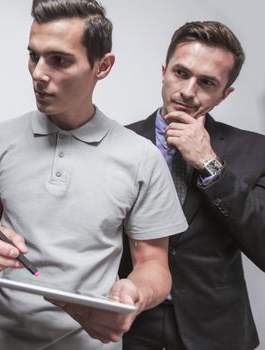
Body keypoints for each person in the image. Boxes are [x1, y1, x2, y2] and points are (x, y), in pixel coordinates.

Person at [0, 0, 188, 349]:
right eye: (33, 55)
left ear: (103, 66)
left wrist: (136, 293)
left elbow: (154, 265)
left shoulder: (141, 158)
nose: (38, 73)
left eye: (59, 60)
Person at [119, 20, 265, 350]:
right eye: (181, 73)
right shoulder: (115, 142)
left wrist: (211, 164)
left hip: (217, 332)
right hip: (129, 324)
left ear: (225, 93)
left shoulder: (256, 151)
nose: (188, 91)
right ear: (164, 71)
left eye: (207, 82)